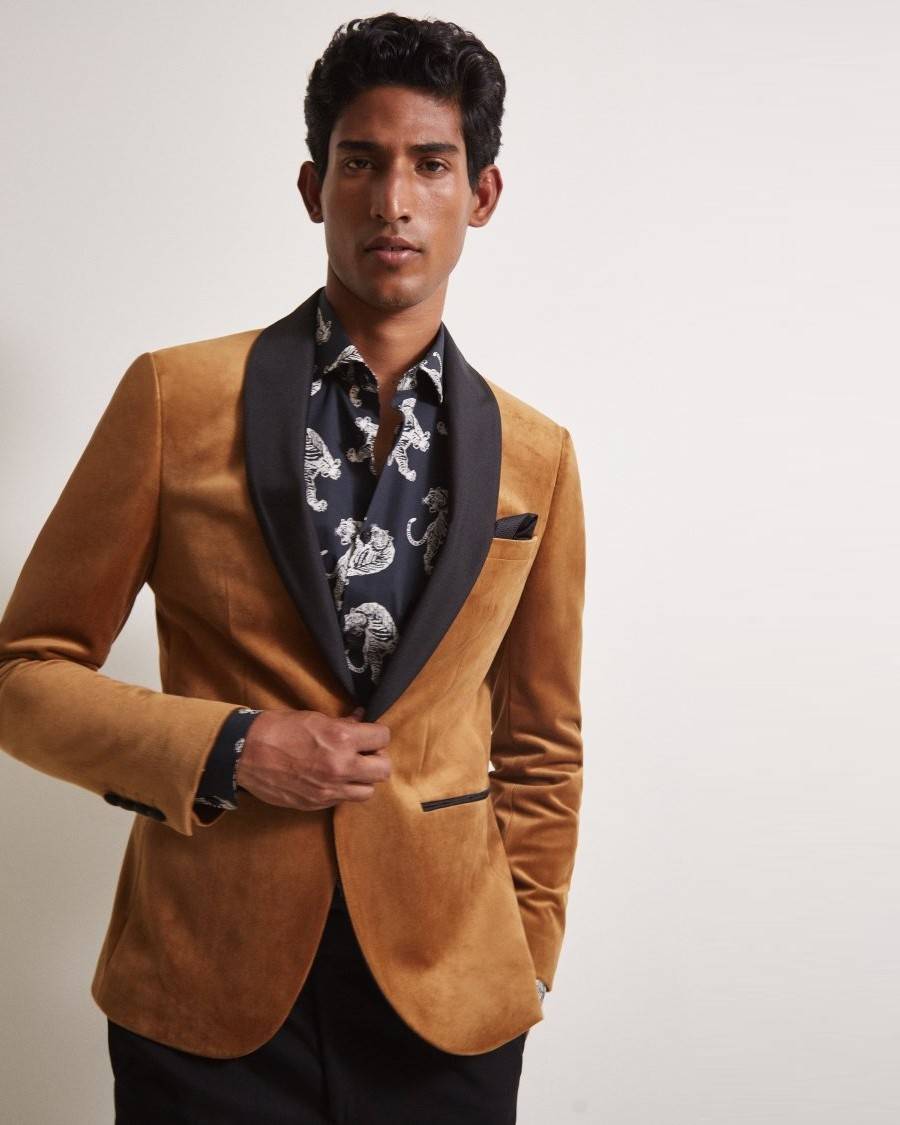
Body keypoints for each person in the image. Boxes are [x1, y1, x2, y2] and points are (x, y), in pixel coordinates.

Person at [0, 12, 585, 1123]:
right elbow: (22, 674)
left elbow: (543, 742)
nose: (393, 200)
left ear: (482, 194)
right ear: (315, 187)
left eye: (431, 164)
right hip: (207, 994)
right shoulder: (174, 400)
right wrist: (230, 746)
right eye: (361, 162)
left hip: (449, 1001)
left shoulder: (538, 456)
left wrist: (527, 955)